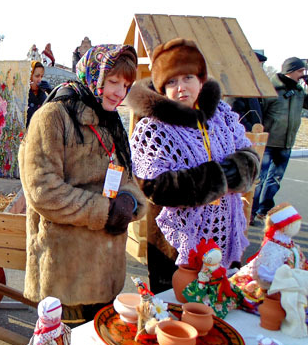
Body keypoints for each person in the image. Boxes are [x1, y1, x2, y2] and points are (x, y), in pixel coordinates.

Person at [19, 44, 147, 324]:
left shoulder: (110, 120)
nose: (120, 92)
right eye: (113, 81)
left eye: (126, 85)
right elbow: (43, 191)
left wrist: (129, 200)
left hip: (107, 272)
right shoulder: (53, 116)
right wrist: (104, 211)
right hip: (67, 275)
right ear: (94, 75)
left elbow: (126, 176)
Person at [129, 38, 260, 293]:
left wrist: (235, 171)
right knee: (181, 306)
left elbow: (249, 156)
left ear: (201, 80)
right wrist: (218, 179)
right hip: (177, 243)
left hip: (223, 231)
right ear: (162, 88)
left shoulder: (221, 115)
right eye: (171, 82)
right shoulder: (153, 128)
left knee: (220, 301)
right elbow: (154, 187)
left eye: (188, 77)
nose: (181, 88)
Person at [251, 57, 308, 224]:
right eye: (300, 71)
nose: (303, 74)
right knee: (258, 179)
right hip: (268, 142)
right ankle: (251, 212)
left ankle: (264, 210)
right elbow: (259, 113)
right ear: (290, 71)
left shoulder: (298, 91)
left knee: (275, 180)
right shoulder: (271, 88)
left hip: (286, 143)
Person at [228, 52, 268, 132]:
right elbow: (235, 114)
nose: (261, 70)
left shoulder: (251, 86)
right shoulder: (237, 85)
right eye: (258, 66)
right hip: (242, 135)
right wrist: (250, 130)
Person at [27, 61, 51, 128]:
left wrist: (51, 92)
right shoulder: (23, 94)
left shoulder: (42, 93)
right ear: (30, 76)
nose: (39, 80)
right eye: (37, 76)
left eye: (41, 76)